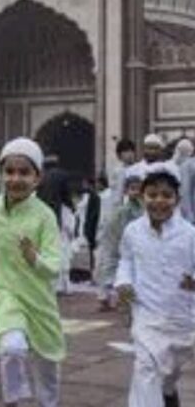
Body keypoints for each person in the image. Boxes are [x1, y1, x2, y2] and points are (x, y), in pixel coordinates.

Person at [0, 137, 65, 407]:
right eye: (9, 171)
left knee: (47, 359)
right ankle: (14, 399)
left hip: (37, 296)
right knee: (12, 348)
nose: (15, 179)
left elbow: (54, 265)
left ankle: (48, 402)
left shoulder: (45, 216)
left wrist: (34, 258)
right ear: (0, 174)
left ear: (37, 178)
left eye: (24, 172)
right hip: (2, 289)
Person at [115, 168, 195, 407]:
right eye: (152, 195)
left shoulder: (190, 234)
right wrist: (124, 283)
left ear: (177, 199)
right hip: (146, 314)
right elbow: (126, 261)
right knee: (146, 368)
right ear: (142, 197)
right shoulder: (133, 231)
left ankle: (168, 391)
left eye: (166, 195)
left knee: (170, 371)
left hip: (182, 317)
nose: (159, 201)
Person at [96, 175, 143, 310]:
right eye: (132, 189)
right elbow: (117, 232)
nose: (136, 192)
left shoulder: (144, 209)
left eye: (139, 189)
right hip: (120, 246)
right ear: (126, 191)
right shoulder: (123, 211)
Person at [109, 139, 136, 207]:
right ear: (119, 155)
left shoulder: (139, 169)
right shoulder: (117, 171)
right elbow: (116, 192)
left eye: (131, 151)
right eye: (126, 151)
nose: (130, 154)